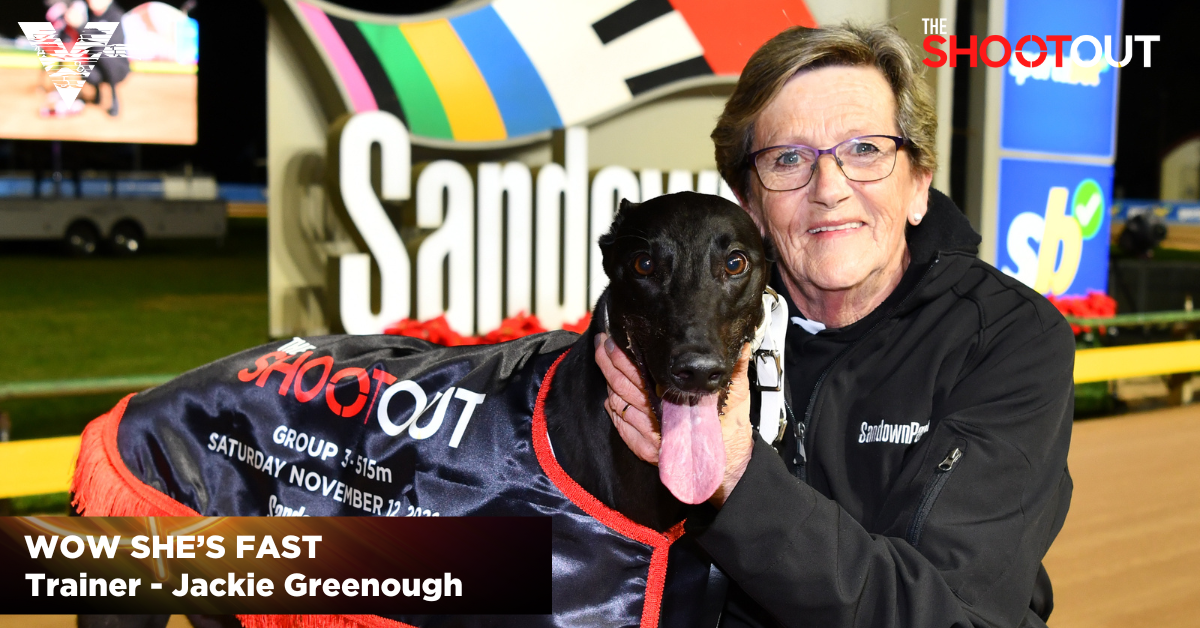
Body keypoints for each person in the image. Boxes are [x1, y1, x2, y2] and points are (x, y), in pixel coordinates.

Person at [595, 24, 1074, 628]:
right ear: (750, 204)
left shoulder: (1007, 338)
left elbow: (950, 615)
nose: (829, 188)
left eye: (865, 149)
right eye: (788, 158)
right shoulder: (678, 335)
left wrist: (739, 478)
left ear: (919, 184)